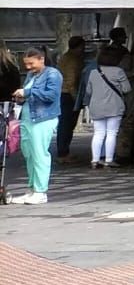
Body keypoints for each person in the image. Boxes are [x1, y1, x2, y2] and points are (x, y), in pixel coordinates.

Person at [12, 47, 63, 204]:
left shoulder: (53, 74)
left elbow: (52, 96)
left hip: (43, 119)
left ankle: (40, 192)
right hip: (28, 119)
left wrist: (26, 93)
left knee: (39, 154)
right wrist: (20, 98)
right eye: (26, 64)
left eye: (31, 63)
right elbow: (31, 95)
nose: (28, 67)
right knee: (29, 154)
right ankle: (33, 189)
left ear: (42, 59)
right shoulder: (30, 74)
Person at [82, 47, 132, 168]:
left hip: (96, 106)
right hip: (114, 107)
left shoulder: (93, 72)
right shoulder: (119, 71)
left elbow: (88, 91)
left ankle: (95, 160)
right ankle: (109, 160)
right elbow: (127, 89)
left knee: (98, 133)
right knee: (112, 133)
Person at [55, 35, 84, 161]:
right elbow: (71, 81)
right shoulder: (73, 60)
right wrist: (76, 98)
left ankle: (63, 151)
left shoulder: (65, 58)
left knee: (64, 124)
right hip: (68, 95)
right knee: (66, 124)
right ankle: (63, 153)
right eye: (82, 47)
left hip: (63, 94)